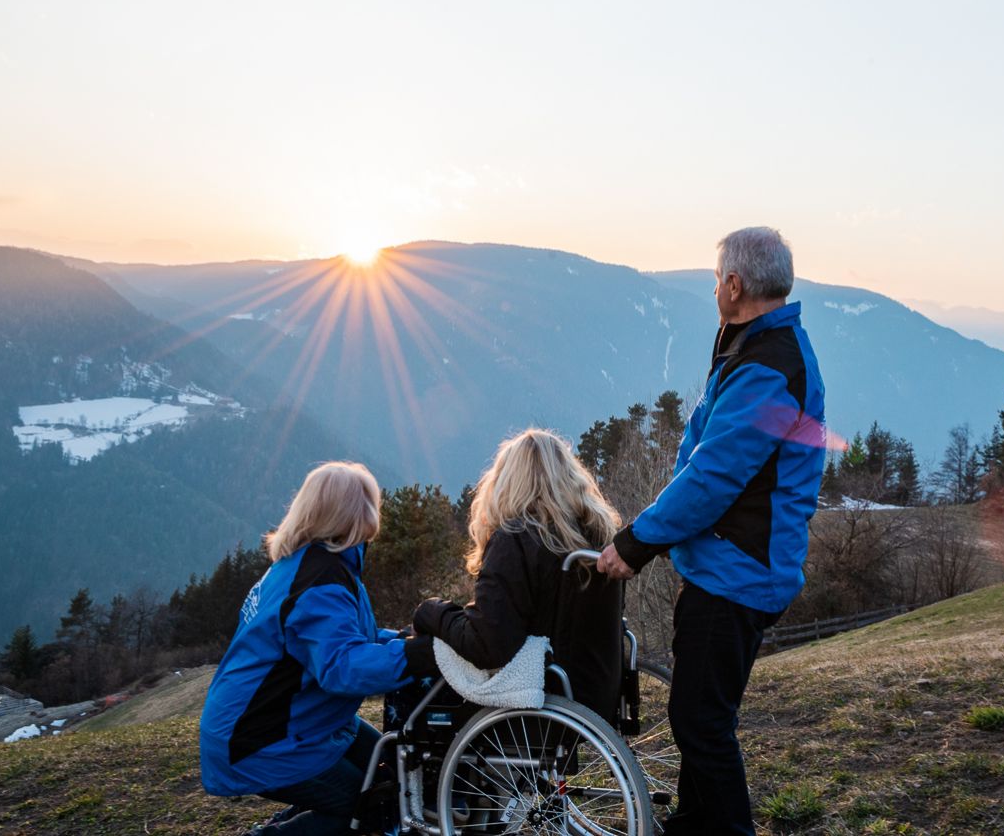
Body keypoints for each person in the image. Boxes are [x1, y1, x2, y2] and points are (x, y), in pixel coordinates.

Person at [596, 226, 826, 836]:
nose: (712, 288)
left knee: (699, 720)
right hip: (729, 564)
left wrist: (636, 542)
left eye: (715, 278)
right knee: (702, 715)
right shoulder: (754, 346)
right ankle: (695, 822)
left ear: (733, 283)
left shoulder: (768, 367)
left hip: (739, 572)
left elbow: (711, 479)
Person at [199, 461, 437, 836]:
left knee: (392, 771)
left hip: (303, 722)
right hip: (263, 737)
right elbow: (341, 667)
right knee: (364, 809)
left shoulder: (311, 564)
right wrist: (417, 655)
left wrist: (402, 641)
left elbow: (349, 637)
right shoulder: (319, 578)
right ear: (351, 515)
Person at [413, 428, 625, 718]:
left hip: (542, 698)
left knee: (420, 653)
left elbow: (488, 645)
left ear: (506, 481)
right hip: (595, 693)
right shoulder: (598, 538)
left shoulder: (515, 540)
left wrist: (432, 612)